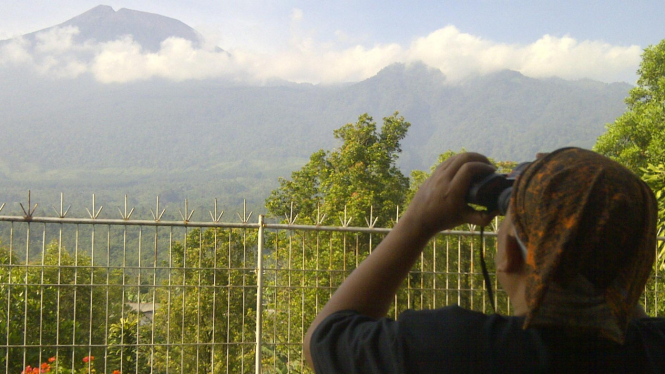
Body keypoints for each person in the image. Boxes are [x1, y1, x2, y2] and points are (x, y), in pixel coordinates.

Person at [303, 147, 665, 373]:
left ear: (508, 256)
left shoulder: (450, 349)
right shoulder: (653, 349)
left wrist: (417, 222)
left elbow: (323, 339)